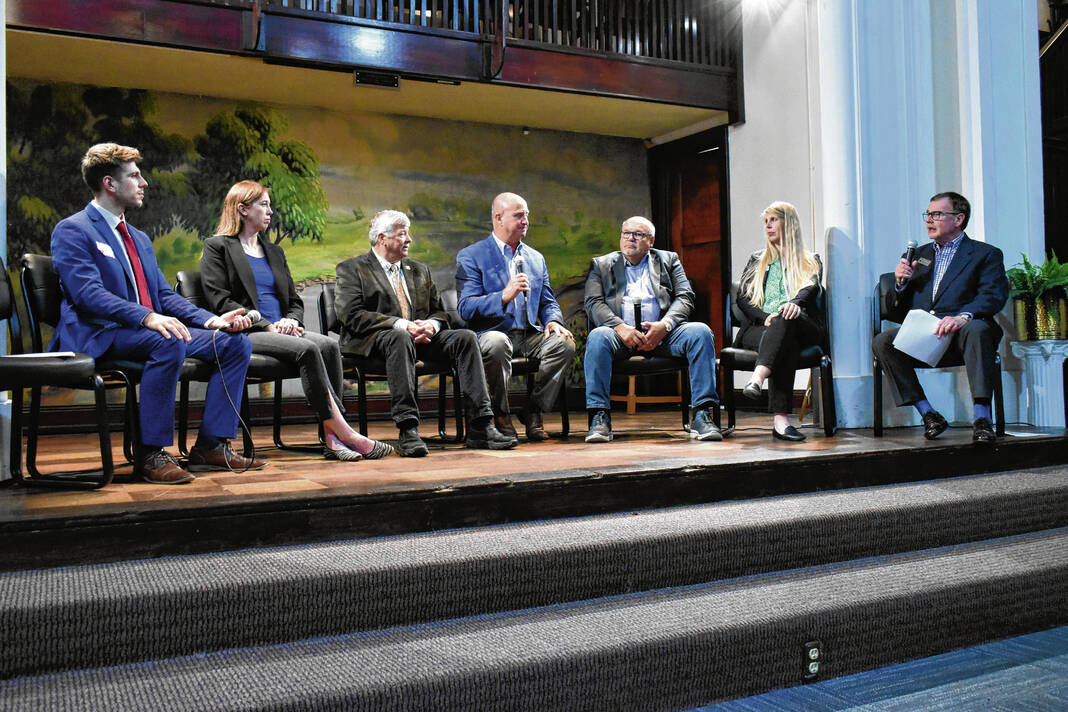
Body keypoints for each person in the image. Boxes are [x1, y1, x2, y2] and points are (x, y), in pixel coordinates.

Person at [49, 143, 264, 484]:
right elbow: (87, 295)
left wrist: (212, 321)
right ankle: (151, 453)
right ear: (109, 183)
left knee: (234, 345)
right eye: (134, 176)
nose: (144, 182)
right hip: (99, 333)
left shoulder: (139, 238)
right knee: (167, 342)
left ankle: (211, 445)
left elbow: (163, 295)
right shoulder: (73, 230)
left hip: (144, 332)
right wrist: (147, 317)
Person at [200, 181, 394, 462]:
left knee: (328, 345)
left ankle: (331, 438)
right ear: (242, 209)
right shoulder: (218, 247)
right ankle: (345, 434)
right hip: (247, 332)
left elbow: (294, 300)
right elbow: (220, 301)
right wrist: (268, 325)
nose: (270, 211)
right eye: (263, 205)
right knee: (309, 349)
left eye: (269, 205)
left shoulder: (274, 252)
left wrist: (291, 321)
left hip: (282, 330)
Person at [334, 210, 516, 456]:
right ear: (382, 238)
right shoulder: (352, 269)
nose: (409, 239)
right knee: (399, 337)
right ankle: (408, 429)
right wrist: (402, 325)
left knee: (465, 338)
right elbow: (351, 315)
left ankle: (480, 426)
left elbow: (440, 313)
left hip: (420, 339)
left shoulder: (418, 270)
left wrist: (432, 325)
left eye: (408, 233)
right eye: (402, 234)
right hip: (375, 342)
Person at [871, 191, 1008, 443]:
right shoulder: (918, 256)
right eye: (928, 214)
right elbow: (897, 310)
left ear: (958, 219)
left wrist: (962, 317)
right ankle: (929, 415)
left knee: (977, 329)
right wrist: (900, 285)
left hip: (964, 333)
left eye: (937, 214)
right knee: (883, 341)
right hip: (927, 336)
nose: (929, 220)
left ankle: (982, 419)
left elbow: (993, 296)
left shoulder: (985, 254)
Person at [583, 216, 723, 443]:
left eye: (637, 234)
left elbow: (685, 297)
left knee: (700, 332)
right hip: (621, 336)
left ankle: (702, 414)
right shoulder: (601, 264)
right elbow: (593, 302)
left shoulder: (668, 260)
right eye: (626, 233)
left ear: (651, 240)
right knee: (598, 336)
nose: (630, 239)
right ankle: (599, 417)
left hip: (663, 336)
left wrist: (665, 326)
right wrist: (620, 328)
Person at [455, 192, 575, 441]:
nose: (525, 221)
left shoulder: (535, 258)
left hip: (530, 334)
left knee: (564, 344)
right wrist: (503, 296)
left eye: (527, 215)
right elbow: (466, 308)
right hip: (493, 333)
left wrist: (553, 321)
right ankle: (500, 414)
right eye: (518, 215)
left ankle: (534, 410)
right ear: (498, 218)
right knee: (497, 344)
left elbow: (548, 301)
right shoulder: (472, 255)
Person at [735, 202, 826, 442]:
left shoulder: (810, 259)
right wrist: (766, 318)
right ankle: (781, 421)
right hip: (760, 328)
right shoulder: (757, 260)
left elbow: (812, 286)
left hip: (802, 323)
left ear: (789, 223)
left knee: (786, 318)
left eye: (774, 220)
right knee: (786, 342)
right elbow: (742, 297)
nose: (768, 226)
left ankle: (757, 377)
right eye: (766, 222)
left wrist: (794, 303)